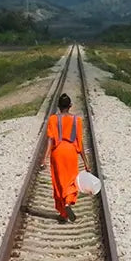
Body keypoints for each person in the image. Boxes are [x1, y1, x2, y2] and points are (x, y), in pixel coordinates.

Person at [42, 93, 91, 223]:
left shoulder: (53, 119)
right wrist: (86, 162)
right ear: (70, 106)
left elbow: (50, 140)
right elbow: (80, 142)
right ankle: (68, 202)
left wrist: (44, 158)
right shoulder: (77, 120)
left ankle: (63, 213)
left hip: (57, 153)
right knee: (71, 181)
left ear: (58, 106)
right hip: (71, 153)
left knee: (59, 183)